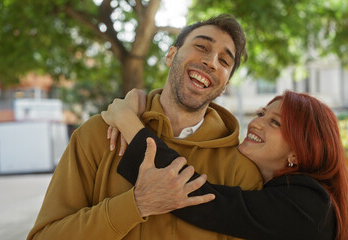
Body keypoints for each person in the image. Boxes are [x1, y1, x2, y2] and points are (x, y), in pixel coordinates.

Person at [27, 14, 263, 240]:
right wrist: (136, 205)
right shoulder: (96, 135)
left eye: (224, 61)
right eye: (202, 47)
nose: (210, 62)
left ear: (224, 86)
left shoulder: (240, 170)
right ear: (171, 55)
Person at [101, 90, 348, 240]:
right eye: (261, 114)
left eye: (275, 123)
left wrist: (127, 121)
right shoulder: (285, 193)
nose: (257, 123)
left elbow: (202, 199)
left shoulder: (309, 204)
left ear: (298, 152)